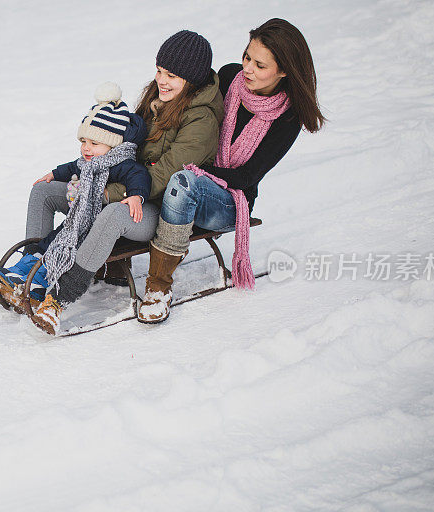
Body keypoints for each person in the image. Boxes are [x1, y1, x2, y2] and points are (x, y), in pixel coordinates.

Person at [6, 30, 225, 335]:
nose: (161, 79)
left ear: (193, 79)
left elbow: (162, 174)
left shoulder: (201, 121)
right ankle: (31, 270)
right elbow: (124, 145)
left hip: (156, 210)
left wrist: (105, 192)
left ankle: (60, 296)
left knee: (112, 214)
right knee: (44, 192)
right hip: (120, 188)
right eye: (159, 70)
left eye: (171, 75)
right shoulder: (156, 98)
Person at [137, 18, 326, 323]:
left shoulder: (287, 118)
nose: (248, 69)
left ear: (283, 71)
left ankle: (159, 287)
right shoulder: (227, 77)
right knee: (168, 178)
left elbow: (247, 176)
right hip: (183, 175)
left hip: (229, 202)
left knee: (184, 181)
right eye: (246, 57)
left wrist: (195, 166)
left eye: (260, 65)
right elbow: (186, 105)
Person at [0, 82, 151, 314]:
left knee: (63, 246)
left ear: (112, 145)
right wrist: (54, 173)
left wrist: (135, 196)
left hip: (96, 226)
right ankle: (22, 271)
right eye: (83, 142)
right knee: (54, 239)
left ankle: (39, 282)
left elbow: (138, 175)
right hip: (80, 220)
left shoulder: (121, 163)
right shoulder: (88, 162)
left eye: (94, 143)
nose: (86, 149)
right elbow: (73, 166)